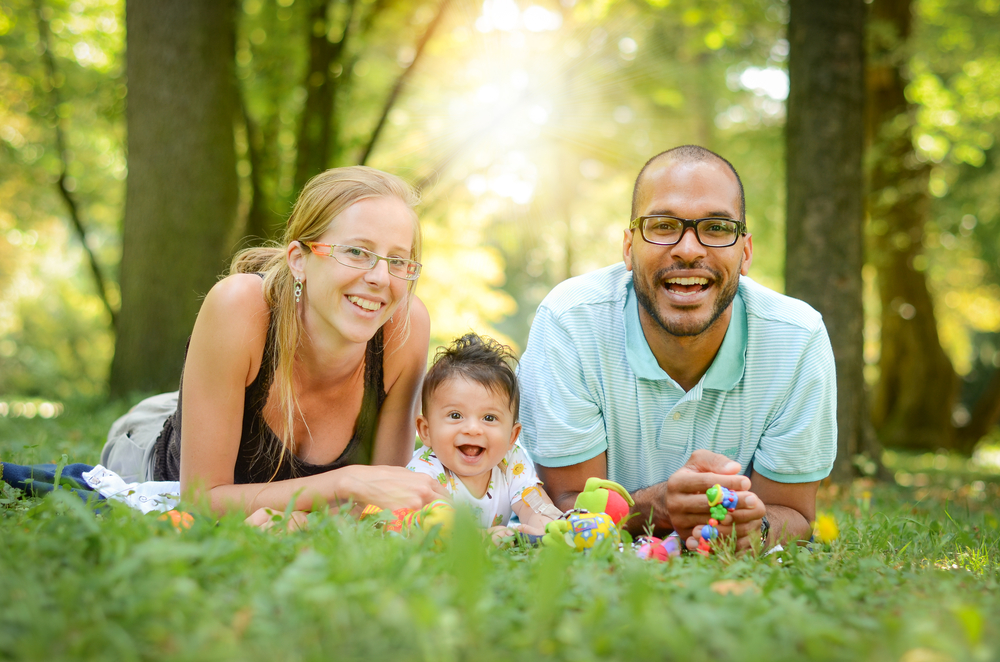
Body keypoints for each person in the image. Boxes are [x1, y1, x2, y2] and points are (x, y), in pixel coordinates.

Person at [517, 145, 837, 553]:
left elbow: (793, 514)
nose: (688, 249)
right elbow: (565, 505)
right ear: (629, 247)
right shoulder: (570, 322)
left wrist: (750, 529)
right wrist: (658, 506)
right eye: (664, 225)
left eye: (717, 228)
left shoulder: (797, 340)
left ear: (746, 252)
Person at [100, 166, 448, 517]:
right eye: (356, 252)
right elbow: (201, 499)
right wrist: (345, 482)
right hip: (150, 450)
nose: (379, 277)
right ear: (299, 260)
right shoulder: (238, 307)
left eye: (398, 260)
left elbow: (382, 501)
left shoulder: (406, 325)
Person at [407, 333, 561, 537]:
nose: (473, 429)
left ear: (512, 437)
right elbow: (429, 525)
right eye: (455, 415)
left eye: (489, 418)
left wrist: (547, 526)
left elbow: (532, 501)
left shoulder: (510, 462)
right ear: (426, 431)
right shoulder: (425, 470)